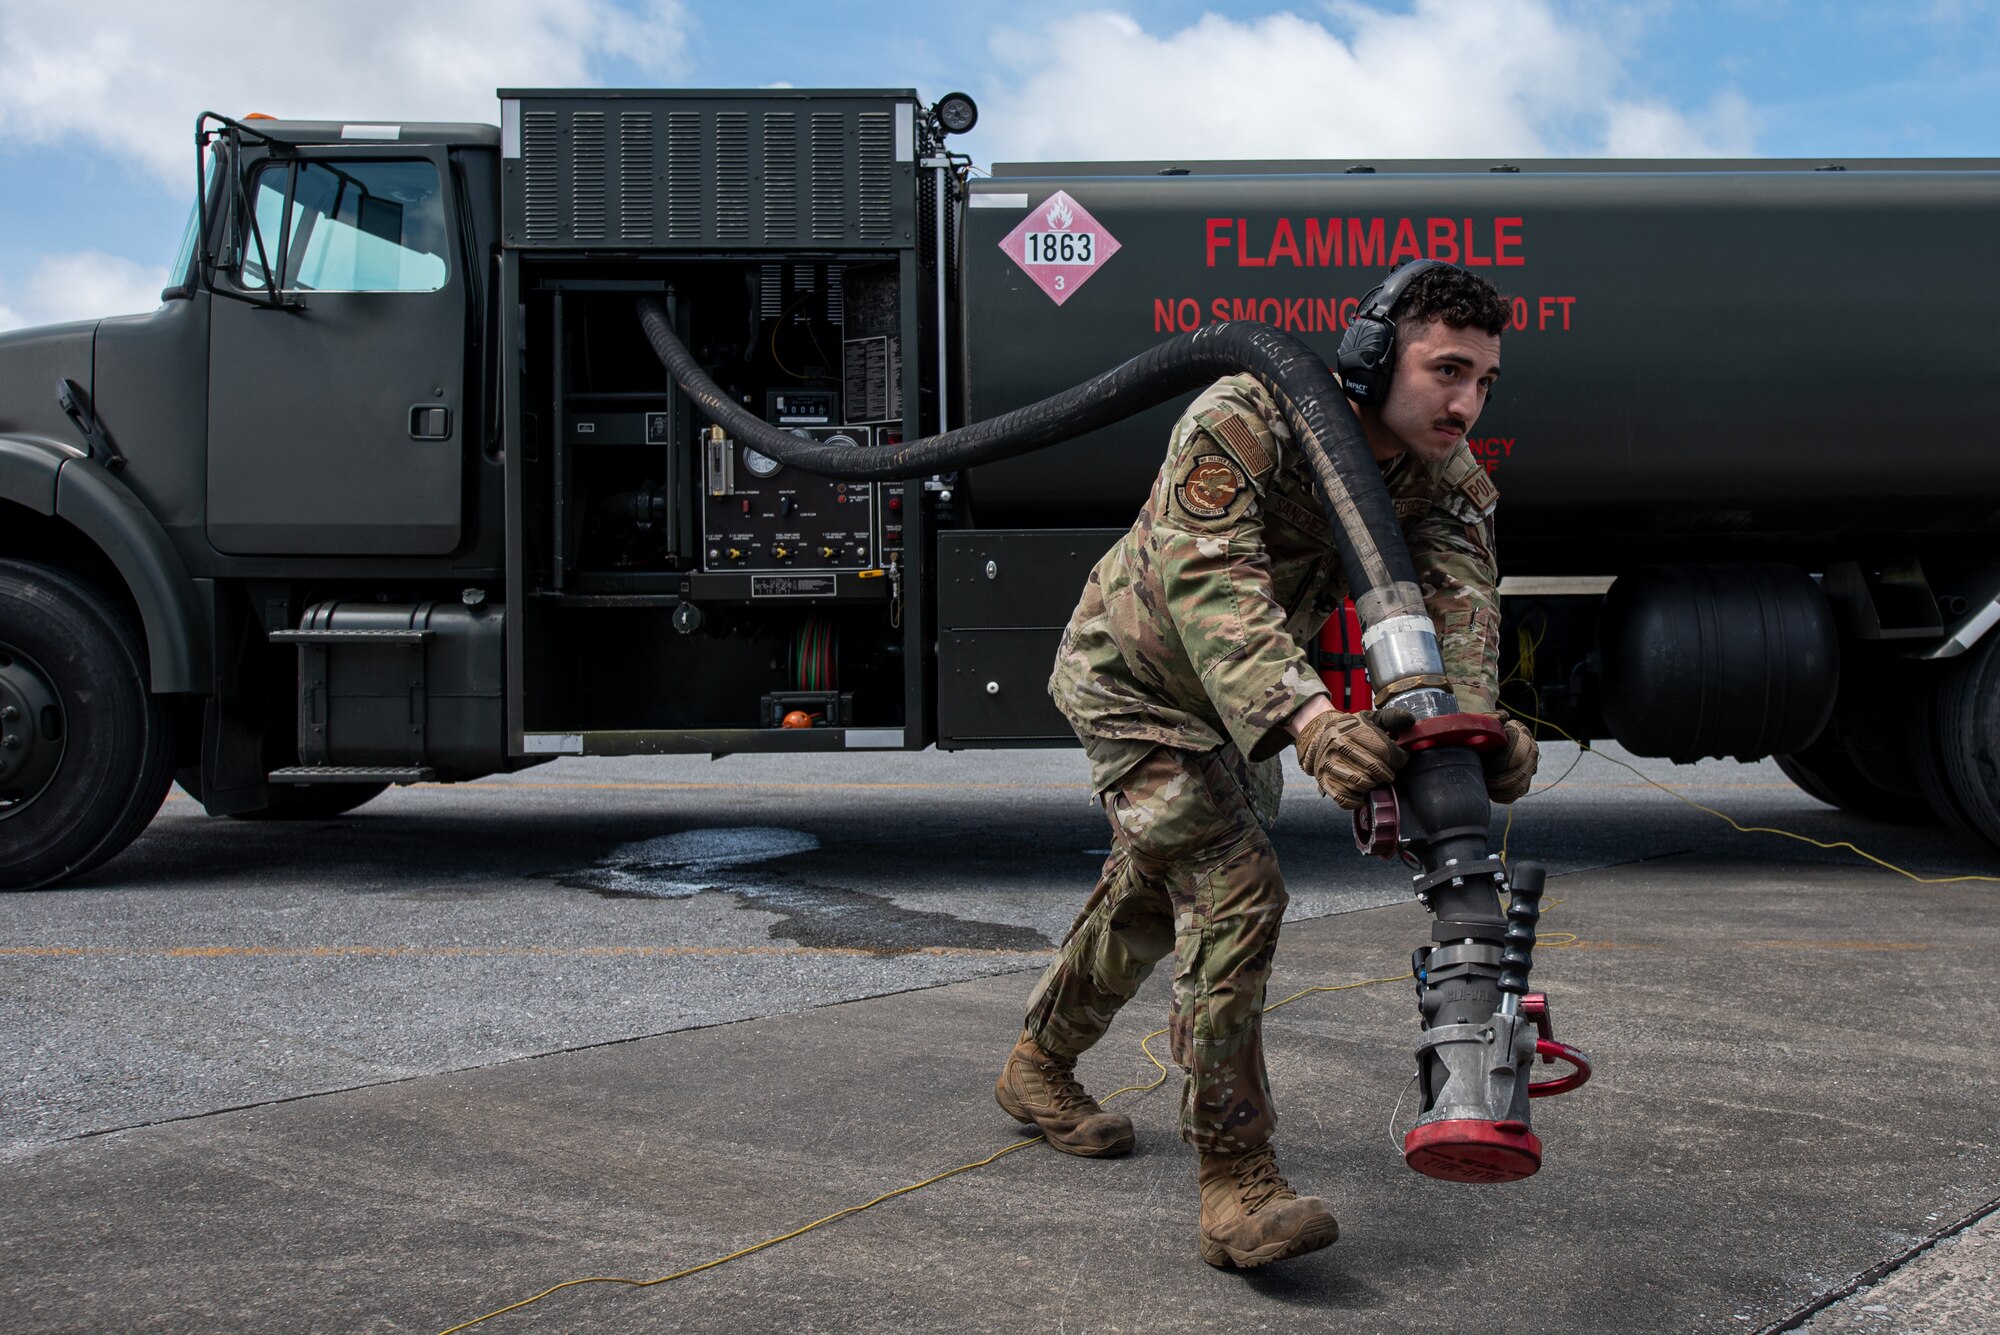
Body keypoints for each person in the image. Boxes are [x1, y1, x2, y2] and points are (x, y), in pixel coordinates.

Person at [994, 261, 1538, 1269]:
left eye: (1484, 383)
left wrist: (1472, 734)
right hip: (1136, 681)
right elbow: (1207, 579)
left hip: (1240, 708)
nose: (1464, 402)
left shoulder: (1448, 483)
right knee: (1236, 886)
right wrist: (1310, 721)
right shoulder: (1248, 413)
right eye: (1446, 370)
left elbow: (1461, 617)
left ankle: (1038, 1065)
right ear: (1373, 358)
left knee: (1155, 893)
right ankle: (1235, 1179)